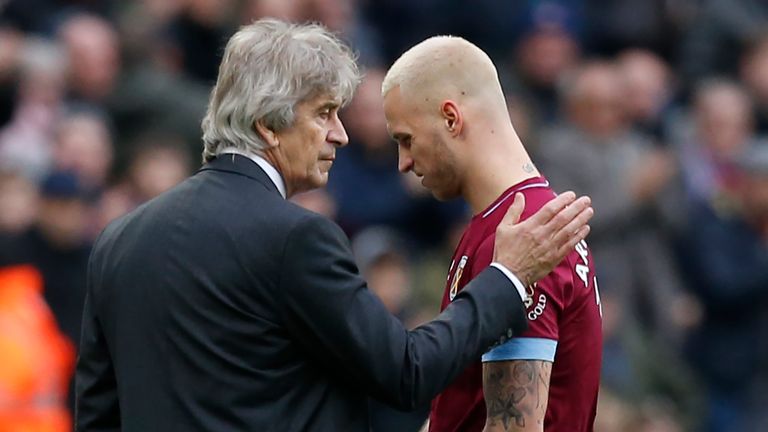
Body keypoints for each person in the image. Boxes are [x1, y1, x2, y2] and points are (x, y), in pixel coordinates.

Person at [75, 19, 593, 431]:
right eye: (324, 113)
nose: (340, 135)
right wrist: (506, 278)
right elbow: (405, 371)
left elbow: (97, 416)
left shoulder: (118, 240)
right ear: (267, 124)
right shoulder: (294, 237)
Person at [382, 36, 602, 431]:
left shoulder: (523, 234)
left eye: (406, 139)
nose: (404, 162)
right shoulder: (506, 224)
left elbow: (513, 426)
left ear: (451, 118)